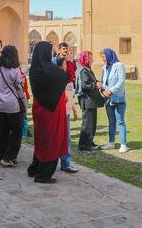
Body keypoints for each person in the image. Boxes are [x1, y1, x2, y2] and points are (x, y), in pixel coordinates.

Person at [27, 41, 69, 184]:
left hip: (39, 108)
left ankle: (35, 168)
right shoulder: (50, 69)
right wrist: (63, 69)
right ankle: (43, 175)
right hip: (52, 110)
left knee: (41, 139)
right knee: (51, 141)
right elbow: (65, 77)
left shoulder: (35, 68)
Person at [99, 48, 128, 153]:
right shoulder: (104, 68)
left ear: (109, 55)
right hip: (108, 99)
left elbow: (121, 81)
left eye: (104, 57)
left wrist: (110, 91)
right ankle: (111, 143)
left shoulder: (119, 65)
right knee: (111, 122)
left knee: (120, 121)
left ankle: (123, 144)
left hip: (118, 97)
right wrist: (102, 91)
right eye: (102, 57)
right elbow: (102, 82)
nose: (103, 59)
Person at [76, 51, 105, 151]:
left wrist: (97, 83)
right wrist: (95, 85)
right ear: (85, 59)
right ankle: (84, 145)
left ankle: (89, 142)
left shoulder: (88, 70)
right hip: (87, 101)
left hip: (91, 101)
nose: (92, 60)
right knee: (87, 124)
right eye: (90, 58)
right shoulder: (83, 71)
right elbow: (84, 86)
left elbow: (93, 80)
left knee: (92, 123)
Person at [54, 56, 78, 174]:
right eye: (62, 65)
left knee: (67, 138)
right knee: (56, 137)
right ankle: (51, 162)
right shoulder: (56, 80)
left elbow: (70, 97)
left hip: (66, 113)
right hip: (58, 113)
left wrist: (74, 109)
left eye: (65, 66)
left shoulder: (68, 82)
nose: (64, 67)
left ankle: (66, 163)